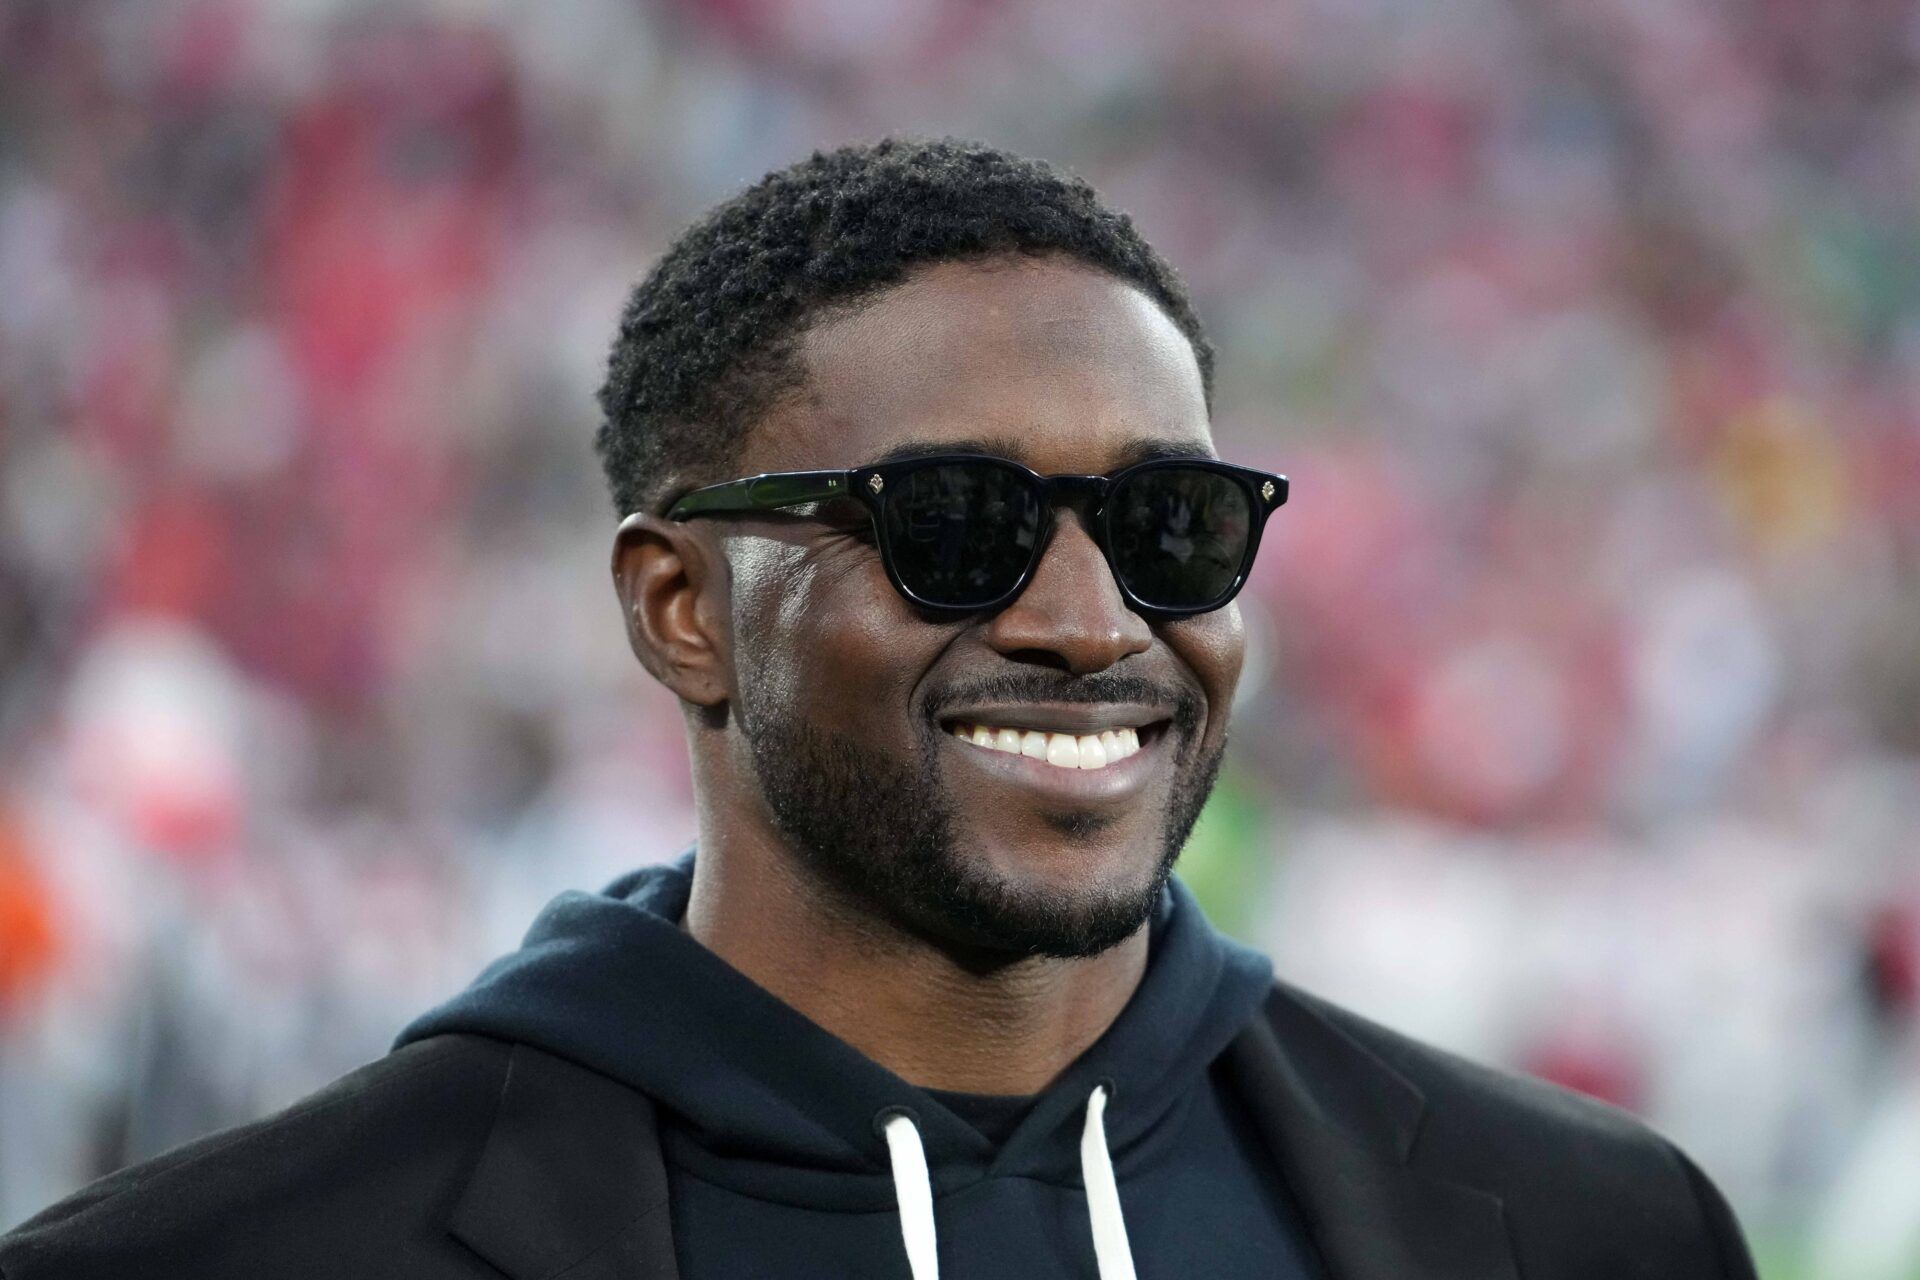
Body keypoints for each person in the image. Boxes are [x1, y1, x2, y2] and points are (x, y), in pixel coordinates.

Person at [0, 137, 1757, 1280]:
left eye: (1170, 529)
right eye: (954, 528)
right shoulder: (233, 1261)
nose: (1089, 623)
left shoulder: (1595, 1232)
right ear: (682, 610)